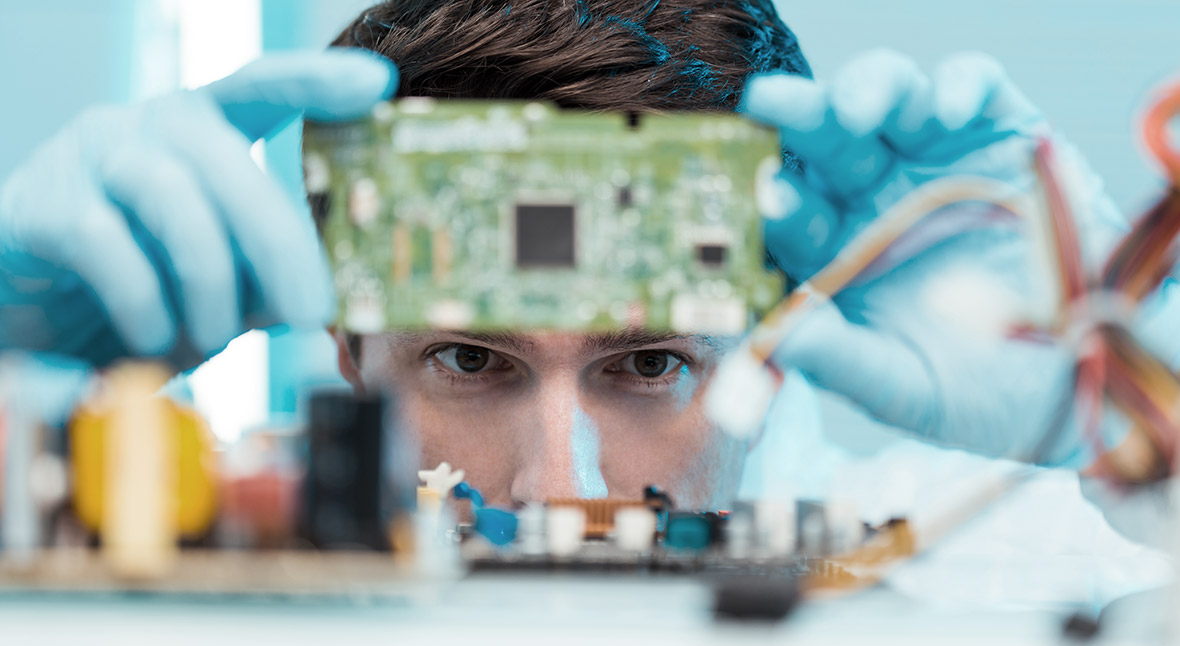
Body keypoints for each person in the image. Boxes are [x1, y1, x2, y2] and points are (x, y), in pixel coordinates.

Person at [0, 0, 1167, 517]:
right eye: (467, 354)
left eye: (652, 363)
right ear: (350, 345)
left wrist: (1135, 409)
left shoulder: (973, 592)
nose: (560, 489)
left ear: (769, 331)